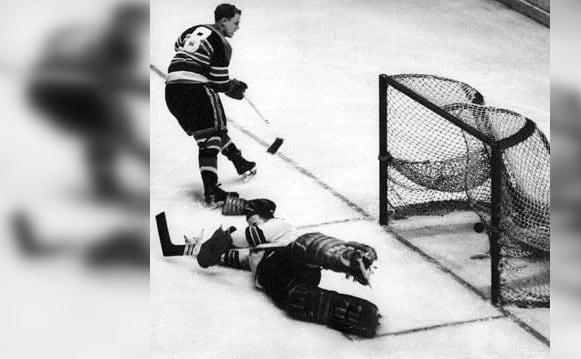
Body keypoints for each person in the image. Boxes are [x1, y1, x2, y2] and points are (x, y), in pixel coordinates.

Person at [183, 199, 381, 338]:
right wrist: (200, 250)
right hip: (279, 277)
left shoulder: (277, 225)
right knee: (297, 298)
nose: (249, 224)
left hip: (287, 260)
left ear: (261, 216)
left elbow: (237, 239)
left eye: (252, 220)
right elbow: (236, 257)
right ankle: (359, 313)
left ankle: (347, 257)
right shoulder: (258, 251)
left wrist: (218, 241)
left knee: (305, 245)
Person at [28, 2, 149, 204]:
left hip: (71, 91)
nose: (137, 30)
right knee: (107, 127)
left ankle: (105, 182)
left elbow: (116, 82)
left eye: (139, 25)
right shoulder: (106, 43)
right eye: (133, 24)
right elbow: (109, 89)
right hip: (56, 92)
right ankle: (105, 184)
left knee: (108, 128)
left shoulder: (120, 46)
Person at [164, 3, 256, 205]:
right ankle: (211, 190)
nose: (237, 28)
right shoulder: (223, 44)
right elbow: (219, 83)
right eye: (235, 23)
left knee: (208, 131)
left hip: (171, 90)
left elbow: (179, 47)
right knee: (212, 134)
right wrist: (234, 87)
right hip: (195, 89)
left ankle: (239, 162)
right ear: (223, 21)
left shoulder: (192, 30)